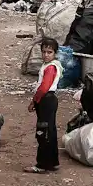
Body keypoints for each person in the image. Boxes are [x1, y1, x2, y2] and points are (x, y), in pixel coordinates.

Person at [24, 37, 63, 174]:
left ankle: (42, 164)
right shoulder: (51, 65)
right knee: (50, 131)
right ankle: (52, 162)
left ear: (55, 53)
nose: (46, 55)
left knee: (43, 132)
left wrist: (34, 101)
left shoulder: (51, 67)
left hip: (46, 100)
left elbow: (44, 87)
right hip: (49, 100)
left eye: (49, 52)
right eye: (44, 52)